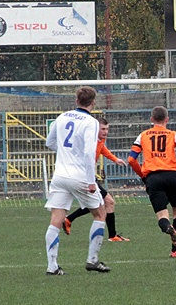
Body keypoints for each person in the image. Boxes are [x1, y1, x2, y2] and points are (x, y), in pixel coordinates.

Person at [44, 86, 110, 275]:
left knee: (55, 220)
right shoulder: (91, 122)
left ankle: (52, 266)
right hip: (80, 176)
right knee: (100, 213)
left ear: (76, 100)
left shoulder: (62, 117)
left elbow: (49, 143)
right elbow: (89, 152)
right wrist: (91, 181)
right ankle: (92, 260)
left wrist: (66, 153)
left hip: (59, 175)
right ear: (93, 102)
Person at [128, 106, 176, 258]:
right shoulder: (173, 134)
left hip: (154, 178)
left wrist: (142, 175)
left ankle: (167, 227)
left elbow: (131, 159)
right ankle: (175, 251)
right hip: (172, 176)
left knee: (163, 216)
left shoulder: (143, 136)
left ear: (151, 119)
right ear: (167, 119)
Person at [63, 117, 130, 242]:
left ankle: (70, 219)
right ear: (95, 129)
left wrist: (115, 159)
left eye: (107, 129)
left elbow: (103, 149)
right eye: (103, 129)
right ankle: (111, 236)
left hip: (88, 176)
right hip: (84, 176)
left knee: (104, 203)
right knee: (105, 202)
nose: (106, 132)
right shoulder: (90, 140)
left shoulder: (100, 140)